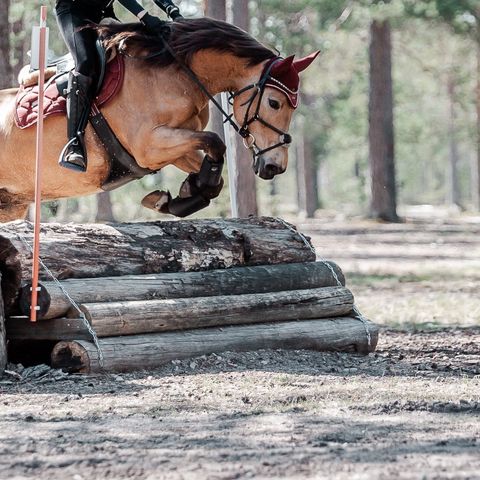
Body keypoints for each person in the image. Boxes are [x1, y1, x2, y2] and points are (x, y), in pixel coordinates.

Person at [55, 0, 181, 172]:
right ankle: (74, 143)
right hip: (74, 12)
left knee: (144, 45)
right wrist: (145, 16)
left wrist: (172, 11)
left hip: (103, 14)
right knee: (86, 63)